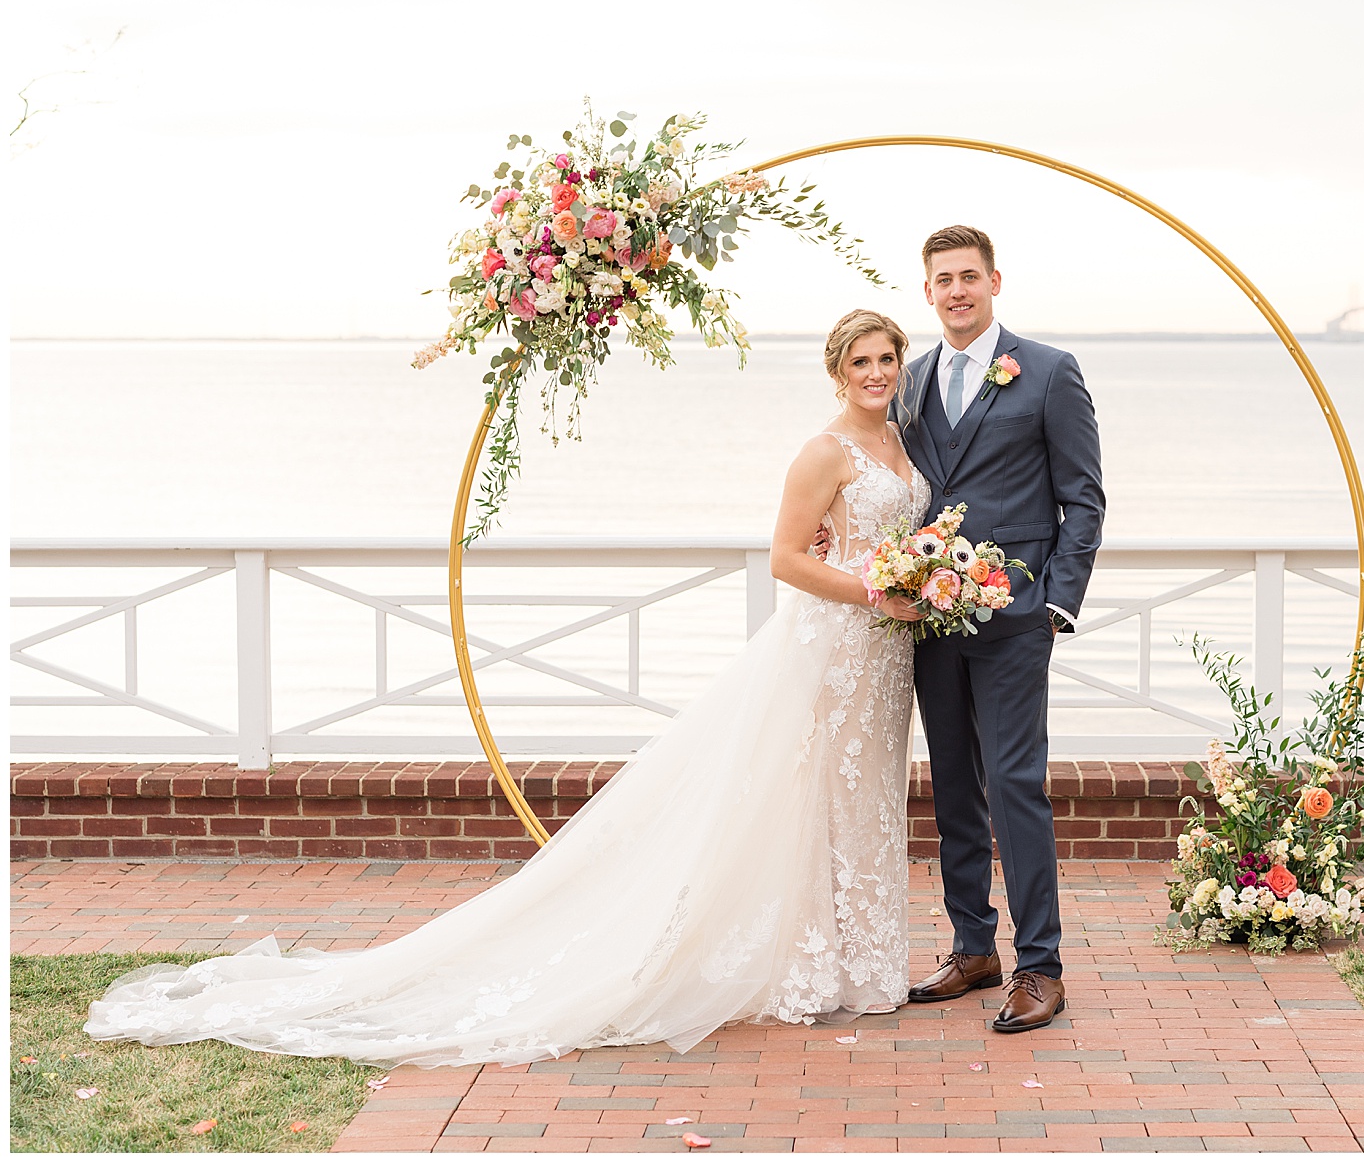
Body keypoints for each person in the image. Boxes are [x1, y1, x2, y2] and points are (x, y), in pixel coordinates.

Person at [84, 310, 931, 1068]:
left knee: (862, 800)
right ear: (835, 372)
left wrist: (919, 585)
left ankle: (863, 959)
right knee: (807, 795)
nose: (875, 373)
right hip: (831, 649)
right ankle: (811, 960)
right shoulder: (826, 450)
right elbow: (786, 557)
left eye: (886, 357)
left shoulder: (900, 442)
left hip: (888, 656)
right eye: (860, 361)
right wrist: (869, 589)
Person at [896, 225, 1105, 1033]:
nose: (957, 290)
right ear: (927, 292)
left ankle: (1041, 964)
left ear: (994, 281)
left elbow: (1082, 496)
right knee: (952, 782)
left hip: (1017, 616)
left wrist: (1059, 599)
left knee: (1016, 782)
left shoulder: (1048, 371)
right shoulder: (910, 382)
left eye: (969, 277)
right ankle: (972, 945)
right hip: (928, 618)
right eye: (942, 279)